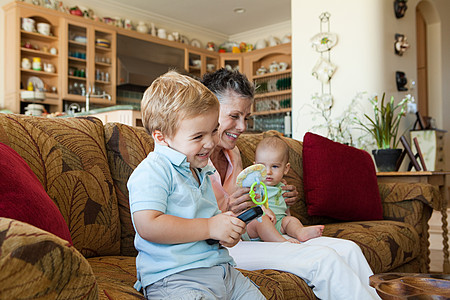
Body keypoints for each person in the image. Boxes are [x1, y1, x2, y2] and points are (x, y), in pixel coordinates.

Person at [201, 68, 381, 300]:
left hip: (249, 237)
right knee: (323, 260)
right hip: (222, 248)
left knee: (350, 249)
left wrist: (277, 195)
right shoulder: (191, 155)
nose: (243, 127)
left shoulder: (233, 153)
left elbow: (253, 196)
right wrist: (228, 211)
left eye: (246, 117)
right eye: (234, 116)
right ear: (209, 109)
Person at [128, 71, 265, 299]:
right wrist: (210, 227)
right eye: (198, 136)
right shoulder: (152, 171)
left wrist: (224, 233)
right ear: (161, 138)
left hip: (222, 271)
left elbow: (208, 221)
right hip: (175, 278)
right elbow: (148, 225)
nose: (210, 143)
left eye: (213, 131)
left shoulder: (200, 168)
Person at [245, 134, 324, 243]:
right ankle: (281, 242)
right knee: (262, 220)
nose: (268, 172)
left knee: (291, 220)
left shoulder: (284, 188)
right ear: (255, 167)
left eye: (275, 166)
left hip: (278, 224)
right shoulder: (254, 186)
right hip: (257, 225)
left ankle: (300, 232)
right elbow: (248, 204)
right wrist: (262, 209)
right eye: (262, 166)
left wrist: (288, 224)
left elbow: (286, 211)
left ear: (286, 169)